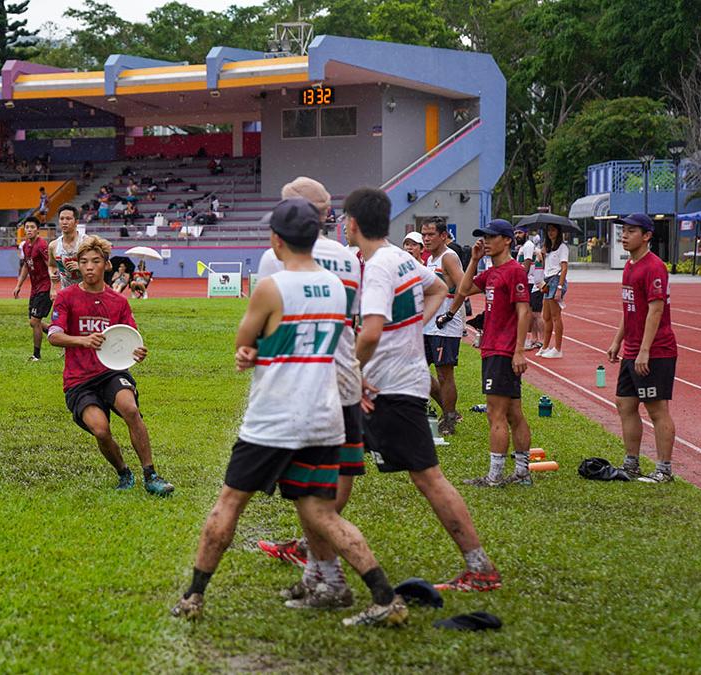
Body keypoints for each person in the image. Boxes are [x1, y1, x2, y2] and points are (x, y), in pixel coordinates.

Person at [172, 198, 406, 626]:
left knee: (229, 504)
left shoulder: (271, 286)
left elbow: (247, 337)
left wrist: (251, 352)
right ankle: (384, 596)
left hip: (274, 416)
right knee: (321, 513)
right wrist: (261, 350)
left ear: (277, 240)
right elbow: (305, 341)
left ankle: (193, 595)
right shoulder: (335, 287)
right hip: (323, 414)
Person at [347, 187, 501, 592]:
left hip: (389, 388)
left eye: (345, 219)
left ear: (355, 223)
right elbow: (436, 289)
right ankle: (317, 551)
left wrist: (349, 371)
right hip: (390, 384)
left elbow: (372, 331)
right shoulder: (402, 259)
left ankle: (479, 566)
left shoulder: (380, 265)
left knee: (427, 477)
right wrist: (416, 323)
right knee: (336, 459)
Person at [258, 178, 374, 610]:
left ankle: (333, 581)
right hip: (344, 379)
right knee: (329, 486)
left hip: (304, 386)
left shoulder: (276, 258)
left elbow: (268, 329)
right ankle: (315, 573)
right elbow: (352, 323)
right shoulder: (349, 257)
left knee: (310, 493)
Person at [46, 235, 175, 496]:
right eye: (84, 262)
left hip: (111, 372)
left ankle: (151, 475)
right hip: (78, 380)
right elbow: (53, 335)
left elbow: (131, 339)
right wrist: (82, 341)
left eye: (95, 261)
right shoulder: (66, 297)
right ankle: (123, 472)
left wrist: (138, 352)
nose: (89, 267)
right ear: (78, 266)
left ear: (106, 265)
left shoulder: (119, 302)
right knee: (101, 430)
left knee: (130, 409)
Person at [440, 219, 533, 486]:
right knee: (514, 412)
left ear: (507, 240)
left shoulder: (514, 271)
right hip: (494, 348)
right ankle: (522, 473)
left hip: (502, 351)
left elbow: (524, 311)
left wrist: (518, 351)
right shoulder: (492, 271)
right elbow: (464, 289)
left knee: (496, 413)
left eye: (492, 237)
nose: (487, 241)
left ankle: (495, 476)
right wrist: (473, 260)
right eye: (485, 237)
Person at [606, 214, 678, 483]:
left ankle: (664, 469)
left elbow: (656, 309)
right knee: (625, 404)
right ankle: (631, 463)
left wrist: (645, 350)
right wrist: (617, 341)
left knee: (657, 409)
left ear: (647, 235)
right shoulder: (630, 266)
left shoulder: (653, 267)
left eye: (631, 231)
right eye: (623, 231)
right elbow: (630, 308)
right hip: (632, 350)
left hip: (656, 351)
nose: (624, 235)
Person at [421, 218, 465, 436]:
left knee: (444, 374)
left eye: (430, 234)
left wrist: (449, 313)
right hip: (429, 324)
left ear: (443, 235)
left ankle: (449, 420)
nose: (426, 239)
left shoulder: (448, 257)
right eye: (424, 235)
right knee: (418, 369)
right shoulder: (430, 258)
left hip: (444, 326)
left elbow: (464, 285)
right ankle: (448, 411)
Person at [13, 216, 53, 361]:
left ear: (38, 230)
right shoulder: (25, 246)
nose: (29, 230)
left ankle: (36, 355)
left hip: (45, 287)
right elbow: (26, 265)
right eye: (27, 227)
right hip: (35, 288)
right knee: (34, 321)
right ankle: (60, 337)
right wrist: (18, 285)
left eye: (32, 227)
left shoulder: (42, 245)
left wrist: (53, 287)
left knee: (35, 322)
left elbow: (51, 264)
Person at [537, 223, 569, 358]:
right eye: (548, 230)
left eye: (553, 230)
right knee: (546, 316)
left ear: (558, 232)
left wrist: (560, 288)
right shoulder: (548, 248)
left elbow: (564, 268)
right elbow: (545, 267)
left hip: (556, 280)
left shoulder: (563, 248)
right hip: (548, 280)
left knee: (556, 316)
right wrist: (542, 256)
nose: (550, 233)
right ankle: (545, 346)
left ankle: (558, 348)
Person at [515, 225, 545, 351]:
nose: (517, 235)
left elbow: (527, 263)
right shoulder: (524, 247)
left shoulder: (527, 246)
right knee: (531, 314)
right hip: (529, 282)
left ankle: (543, 341)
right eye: (515, 233)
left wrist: (521, 279)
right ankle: (534, 339)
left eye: (520, 233)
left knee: (536, 314)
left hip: (533, 284)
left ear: (526, 234)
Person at [50, 205, 83, 291]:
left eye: (68, 219)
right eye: (61, 219)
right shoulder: (53, 246)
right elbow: (52, 265)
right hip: (65, 293)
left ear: (76, 222)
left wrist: (82, 266)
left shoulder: (87, 242)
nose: (64, 222)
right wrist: (52, 275)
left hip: (86, 292)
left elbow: (105, 266)